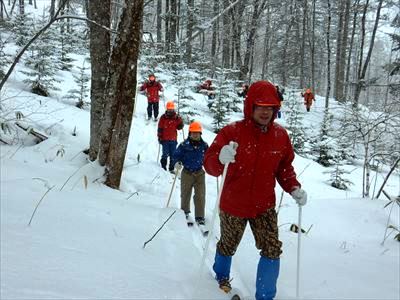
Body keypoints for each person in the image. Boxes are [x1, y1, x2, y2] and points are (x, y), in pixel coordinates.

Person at [203, 80, 307, 300]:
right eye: (260, 106)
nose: (265, 112)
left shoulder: (280, 136)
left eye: (270, 107)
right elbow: (210, 164)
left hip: (264, 206)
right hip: (233, 204)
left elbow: (284, 168)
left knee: (272, 249)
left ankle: (265, 296)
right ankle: (220, 278)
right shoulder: (232, 132)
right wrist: (219, 158)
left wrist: (293, 187)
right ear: (250, 106)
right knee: (228, 244)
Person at [173, 121, 209, 225]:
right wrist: (177, 163)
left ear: (200, 133)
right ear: (190, 133)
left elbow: (209, 157)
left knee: (200, 195)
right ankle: (185, 213)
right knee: (185, 194)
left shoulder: (204, 145)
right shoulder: (184, 145)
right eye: (193, 132)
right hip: (187, 173)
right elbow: (176, 155)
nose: (195, 134)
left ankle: (200, 217)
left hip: (199, 173)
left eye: (197, 133)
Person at [157, 101, 184, 172]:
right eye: (169, 109)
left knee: (173, 155)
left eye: (171, 109)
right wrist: (159, 137)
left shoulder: (176, 118)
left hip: (173, 139)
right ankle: (163, 167)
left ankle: (171, 168)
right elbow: (160, 128)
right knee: (165, 154)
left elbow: (179, 127)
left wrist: (181, 123)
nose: (170, 110)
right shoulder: (163, 117)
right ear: (167, 109)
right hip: (165, 139)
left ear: (173, 109)